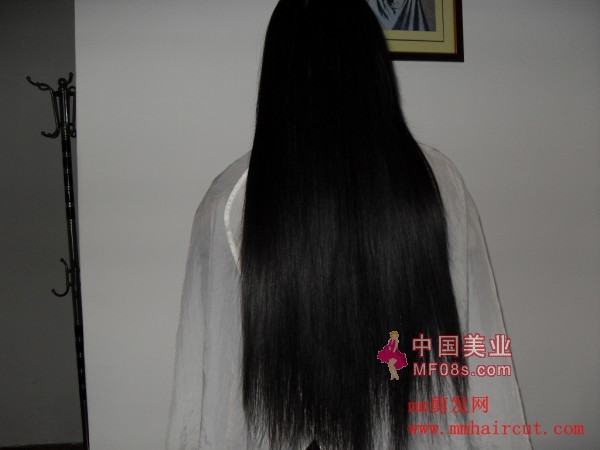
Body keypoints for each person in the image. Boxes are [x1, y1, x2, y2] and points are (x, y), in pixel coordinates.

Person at [166, 1, 531, 449]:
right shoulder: (437, 183)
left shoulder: (229, 199)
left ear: (278, 73)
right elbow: (480, 340)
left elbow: (206, 377)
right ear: (373, 67)